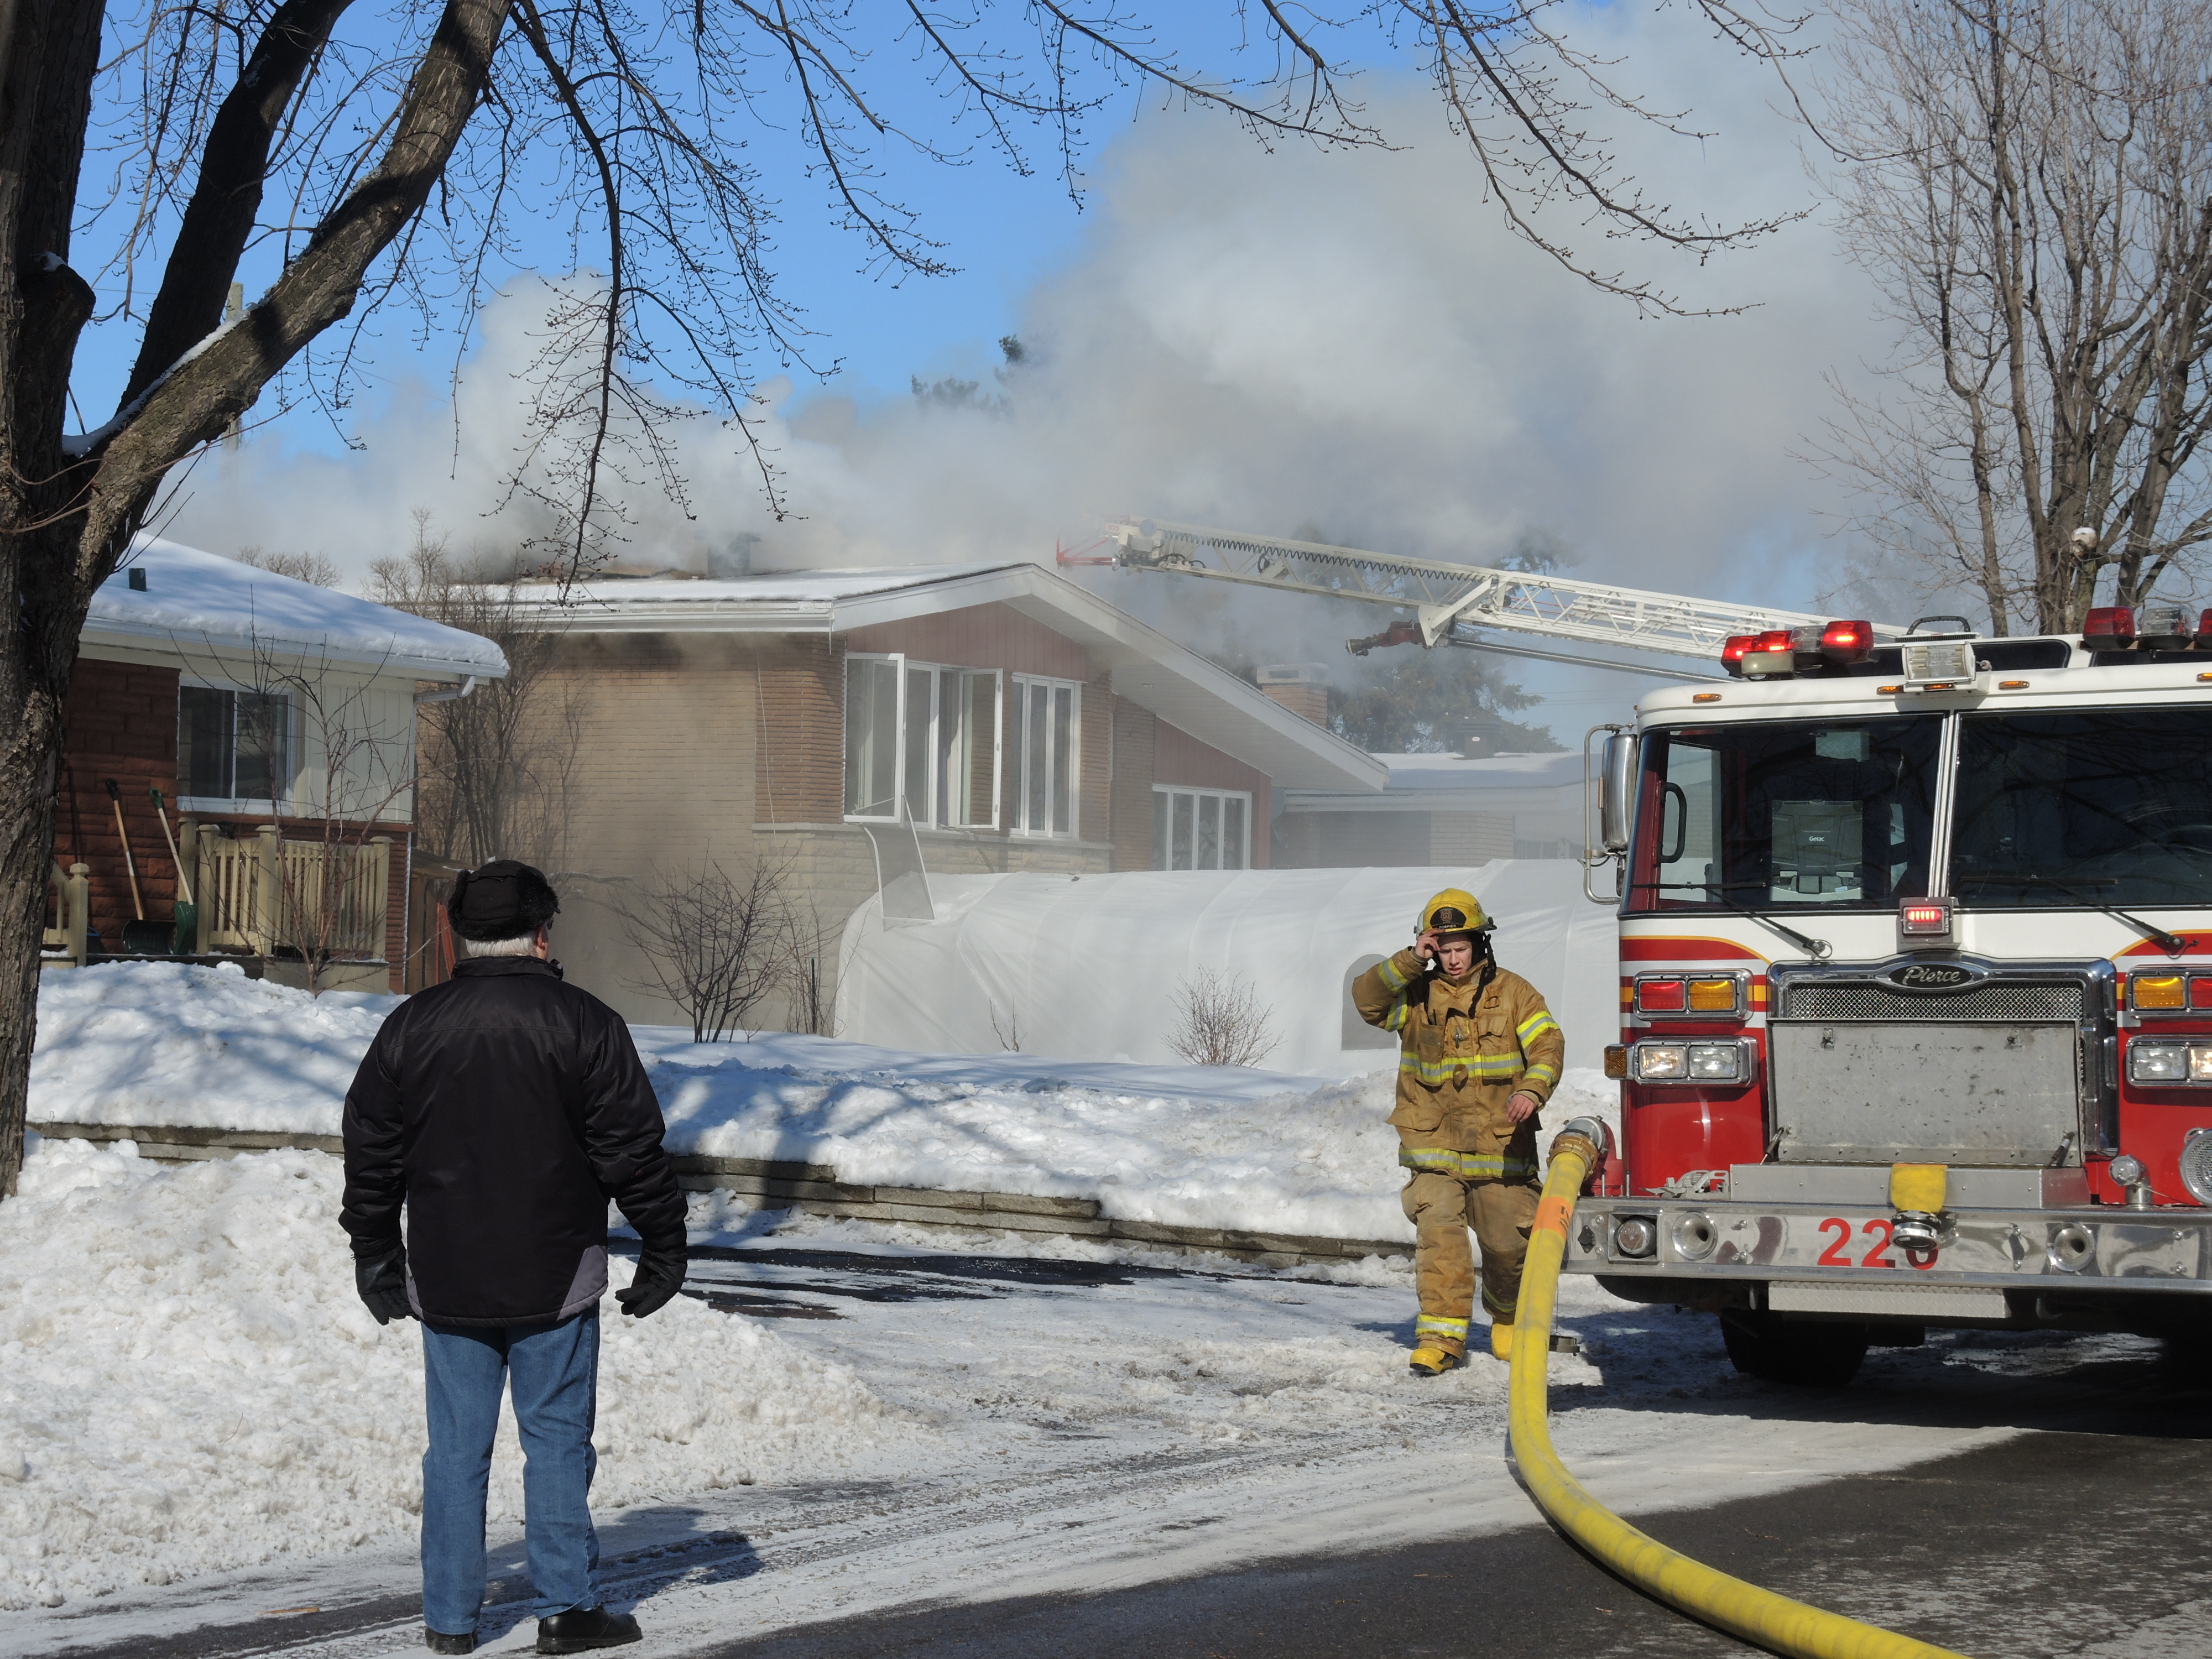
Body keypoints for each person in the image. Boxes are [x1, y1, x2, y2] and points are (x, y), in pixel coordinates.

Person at [341, 860, 690, 1656]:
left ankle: (451, 1622)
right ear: (542, 934)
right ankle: (568, 1611)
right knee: (558, 1442)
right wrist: (664, 1244)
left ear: (459, 937)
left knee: (456, 1450)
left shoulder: (411, 1025)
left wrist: (374, 1250)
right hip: (556, 1272)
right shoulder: (587, 1023)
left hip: (448, 1272)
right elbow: (631, 1152)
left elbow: (372, 1150)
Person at [1352, 888, 1564, 1376]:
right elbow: (1366, 1001)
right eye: (1442, 949)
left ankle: (1507, 1315)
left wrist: (1532, 1091)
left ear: (1479, 944)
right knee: (1439, 1236)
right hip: (1434, 1145)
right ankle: (1439, 1339)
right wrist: (1409, 960)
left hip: (1500, 1146)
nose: (1451, 959)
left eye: (1459, 947)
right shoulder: (1414, 995)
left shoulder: (1514, 993)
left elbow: (1549, 1044)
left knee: (1509, 1244)